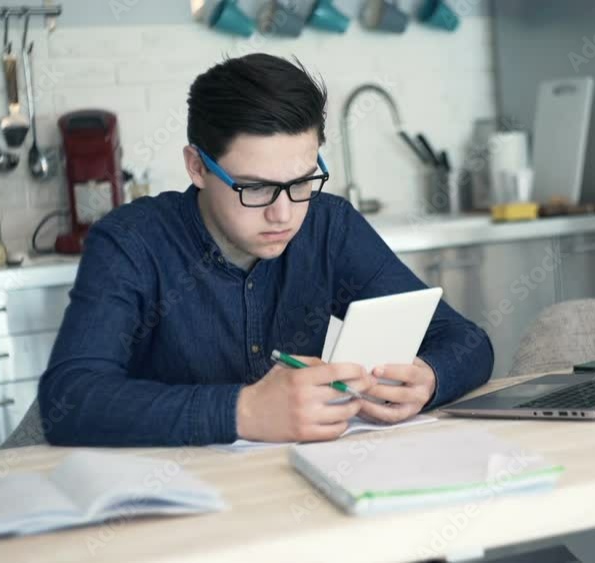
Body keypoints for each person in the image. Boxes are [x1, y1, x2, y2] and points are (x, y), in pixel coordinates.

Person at [38, 53, 494, 446]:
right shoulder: (130, 243)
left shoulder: (328, 224)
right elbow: (71, 399)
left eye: (301, 182)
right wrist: (245, 410)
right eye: (255, 189)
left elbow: (468, 341)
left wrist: (428, 378)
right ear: (197, 166)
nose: (284, 214)